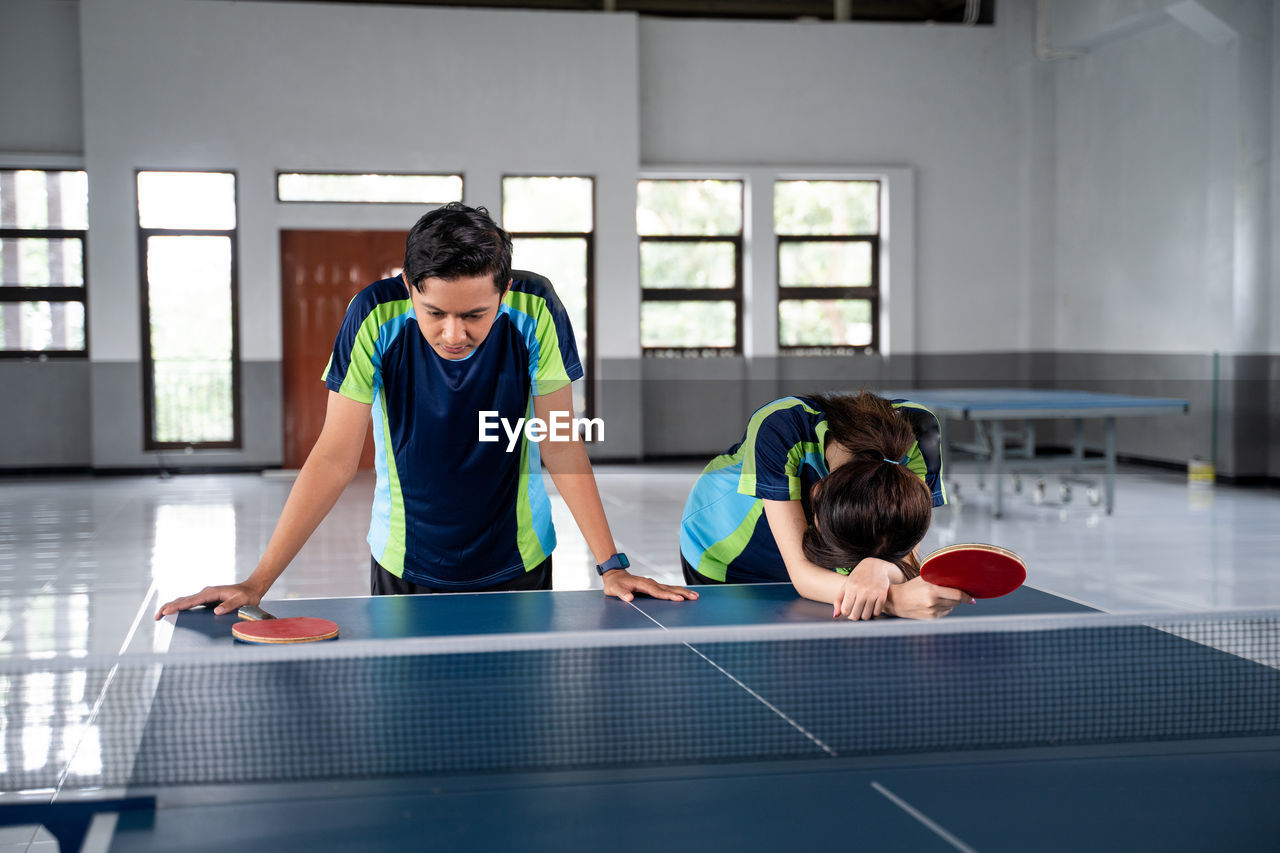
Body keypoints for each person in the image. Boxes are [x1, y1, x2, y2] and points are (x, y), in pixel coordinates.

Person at [158, 203, 694, 618]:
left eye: (475, 315)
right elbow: (333, 457)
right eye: (434, 312)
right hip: (406, 564)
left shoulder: (536, 308)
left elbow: (558, 439)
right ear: (410, 285)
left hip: (520, 563)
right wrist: (257, 581)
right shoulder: (373, 313)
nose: (453, 334)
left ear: (504, 291)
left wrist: (610, 564)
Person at [679, 391, 969, 620]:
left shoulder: (920, 430)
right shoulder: (780, 425)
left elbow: (903, 557)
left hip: (835, 545)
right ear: (815, 495)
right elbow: (803, 573)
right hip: (731, 553)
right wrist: (895, 600)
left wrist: (877, 568)